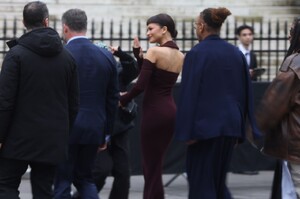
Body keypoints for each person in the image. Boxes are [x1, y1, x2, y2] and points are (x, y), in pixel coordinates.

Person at [175, 7, 261, 199]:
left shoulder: (196, 53)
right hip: (230, 126)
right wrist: (241, 128)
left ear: (202, 26)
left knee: (201, 185)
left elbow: (189, 93)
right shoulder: (235, 52)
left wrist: (187, 130)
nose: (196, 28)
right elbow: (245, 91)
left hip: (203, 128)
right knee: (218, 183)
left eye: (196, 25)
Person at [0, 1, 79, 198]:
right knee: (43, 189)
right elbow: (73, 104)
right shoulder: (68, 58)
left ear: (24, 22)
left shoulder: (16, 55)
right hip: (51, 138)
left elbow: (5, 100)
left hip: (17, 137)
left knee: (5, 185)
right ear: (46, 21)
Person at [54, 8, 118, 199]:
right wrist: (106, 132)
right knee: (85, 179)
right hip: (94, 126)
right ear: (85, 26)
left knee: (62, 180)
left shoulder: (61, 55)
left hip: (65, 128)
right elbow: (112, 98)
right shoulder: (105, 56)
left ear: (65, 28)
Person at [119, 14, 184, 199]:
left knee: (151, 165)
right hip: (170, 112)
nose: (147, 33)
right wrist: (139, 56)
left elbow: (140, 85)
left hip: (154, 113)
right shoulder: (180, 55)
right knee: (155, 164)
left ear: (164, 29)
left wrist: (122, 100)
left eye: (150, 28)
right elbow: (153, 79)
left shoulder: (154, 52)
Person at [72, 44, 139, 199]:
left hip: (118, 128)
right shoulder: (89, 73)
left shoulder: (119, 71)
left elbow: (133, 68)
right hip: (100, 128)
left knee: (123, 172)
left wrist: (120, 53)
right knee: (100, 171)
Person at [255, 16, 300, 199]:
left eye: (292, 32)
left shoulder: (294, 63)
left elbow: (272, 104)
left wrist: (253, 130)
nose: (289, 37)